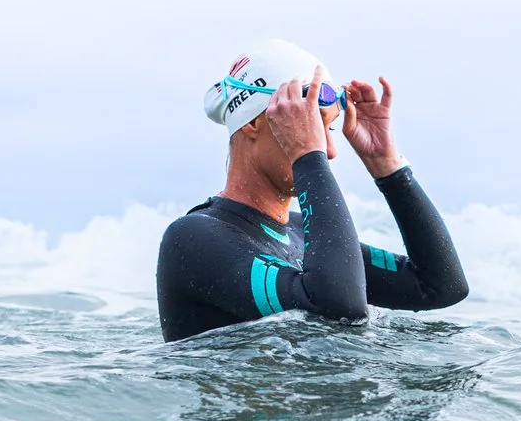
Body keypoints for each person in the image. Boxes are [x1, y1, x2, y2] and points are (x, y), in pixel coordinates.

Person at [156, 39, 469, 342]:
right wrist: (307, 157)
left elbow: (441, 286)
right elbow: (340, 310)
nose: (329, 151)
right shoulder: (193, 239)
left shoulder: (302, 235)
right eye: (311, 125)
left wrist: (388, 168)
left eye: (328, 129)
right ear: (253, 122)